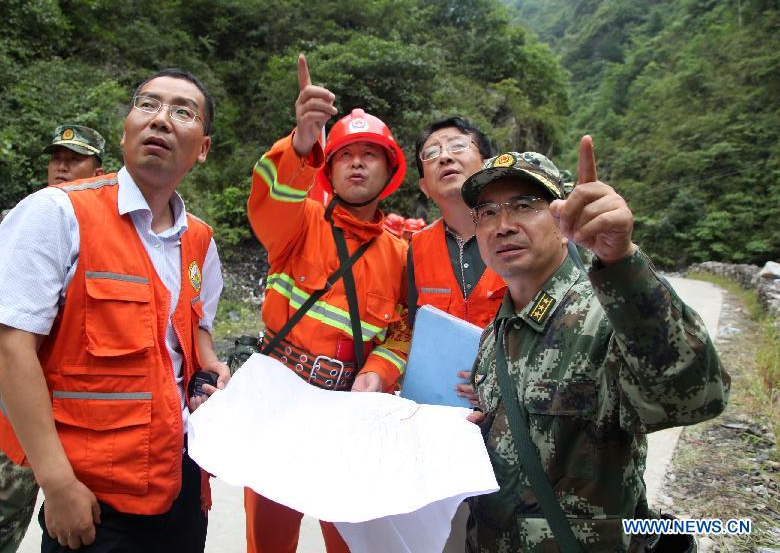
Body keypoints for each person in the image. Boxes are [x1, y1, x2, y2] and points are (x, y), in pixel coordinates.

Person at [0, 69, 229, 552]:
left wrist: (213, 371)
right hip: (92, 498)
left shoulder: (200, 240)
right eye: (147, 105)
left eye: (182, 111)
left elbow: (197, 338)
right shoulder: (56, 213)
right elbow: (12, 354)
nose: (160, 119)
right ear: (125, 130)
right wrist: (57, 484)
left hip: (182, 484)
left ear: (202, 148)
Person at [460, 141, 730, 551]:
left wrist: (620, 261)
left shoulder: (605, 315)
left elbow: (698, 396)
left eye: (524, 205)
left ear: (562, 221)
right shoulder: (493, 336)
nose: (503, 225)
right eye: (488, 212)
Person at [245, 54, 411, 553]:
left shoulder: (401, 256)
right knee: (269, 540)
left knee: (350, 540)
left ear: (390, 170)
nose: (356, 162)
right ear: (327, 167)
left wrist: (378, 372)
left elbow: (402, 333)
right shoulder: (300, 223)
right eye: (343, 154)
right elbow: (272, 199)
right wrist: (301, 141)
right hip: (280, 401)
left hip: (348, 412)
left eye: (369, 153)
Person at [0, 124, 105, 553]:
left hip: (92, 399)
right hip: (30, 390)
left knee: (89, 521)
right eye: (56, 156)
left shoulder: (120, 220)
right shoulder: (21, 217)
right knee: (1, 512)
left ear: (99, 167)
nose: (61, 165)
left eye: (74, 158)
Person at [409, 117, 507, 331]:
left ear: (488, 165)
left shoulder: (526, 232)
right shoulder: (415, 249)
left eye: (458, 146)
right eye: (432, 153)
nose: (444, 156)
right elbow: (408, 329)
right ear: (424, 187)